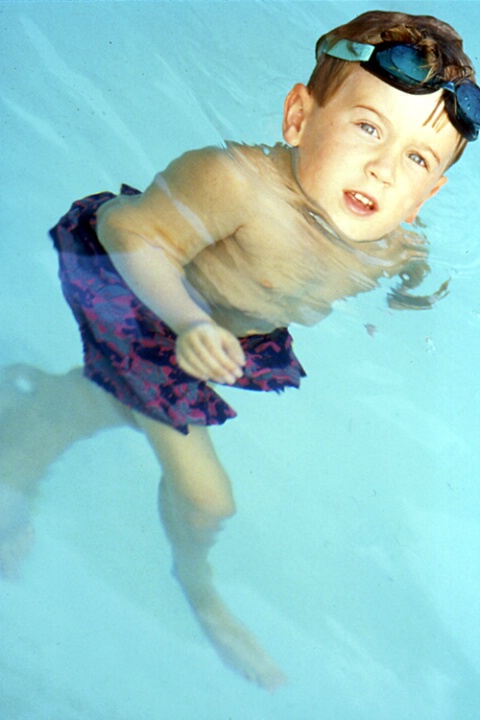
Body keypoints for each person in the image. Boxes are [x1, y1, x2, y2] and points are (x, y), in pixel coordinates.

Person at [1, 10, 478, 690]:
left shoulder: (397, 239)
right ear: (298, 117)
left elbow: (413, 270)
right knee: (208, 497)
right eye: (368, 126)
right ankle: (199, 592)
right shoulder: (234, 184)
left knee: (103, 402)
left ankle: (27, 433)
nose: (381, 167)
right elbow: (127, 231)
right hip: (140, 306)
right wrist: (189, 321)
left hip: (223, 332)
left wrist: (411, 297)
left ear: (428, 194)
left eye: (416, 159)